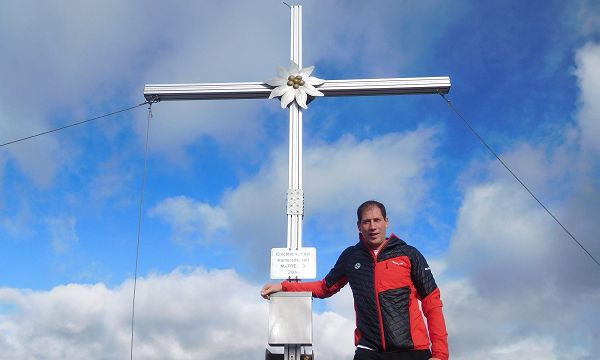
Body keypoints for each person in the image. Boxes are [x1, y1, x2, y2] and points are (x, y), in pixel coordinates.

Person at [261, 200, 448, 360]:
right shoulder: (351, 257)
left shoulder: (409, 254)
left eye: (377, 220)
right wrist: (283, 287)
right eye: (366, 222)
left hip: (412, 352)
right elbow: (324, 288)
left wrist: (440, 354)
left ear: (386, 222)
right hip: (369, 351)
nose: (373, 226)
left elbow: (432, 301)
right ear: (359, 226)